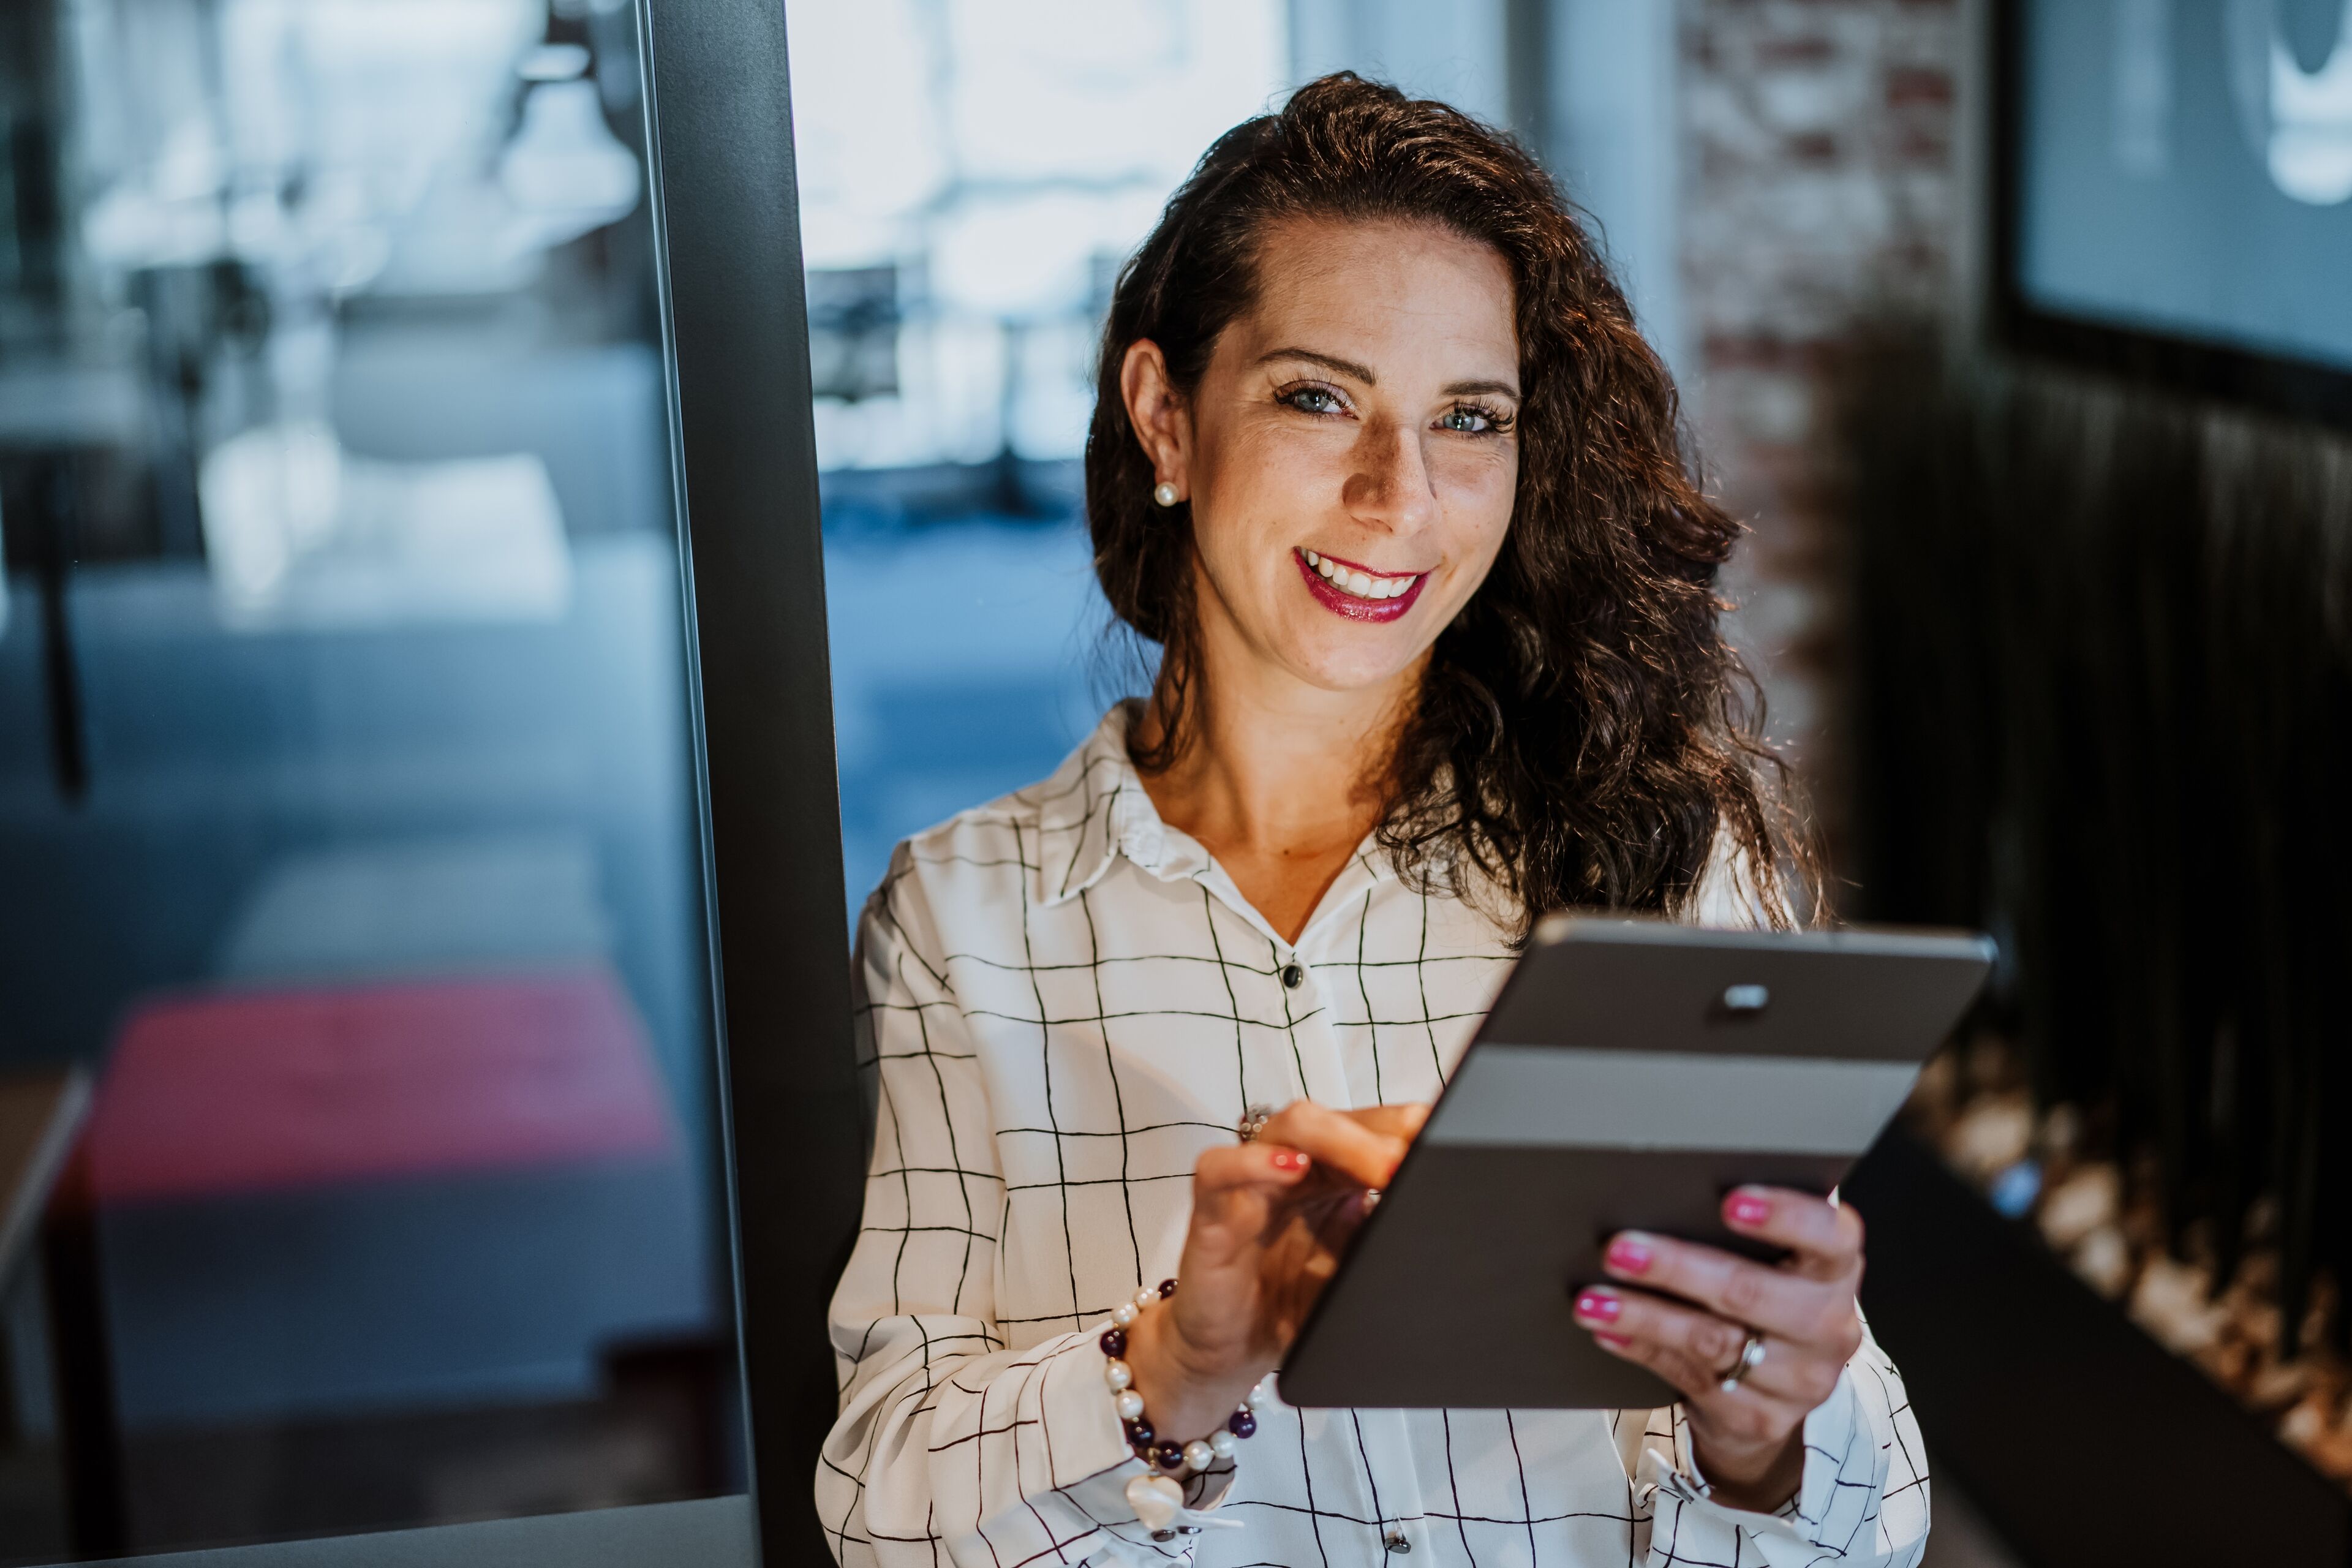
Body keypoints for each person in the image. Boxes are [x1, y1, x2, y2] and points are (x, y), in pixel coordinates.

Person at [818, 74, 1925, 1567]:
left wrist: (1767, 1432)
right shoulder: (962, 919)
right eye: (1318, 394)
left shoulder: (1668, 858)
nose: (1398, 496)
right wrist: (1170, 1367)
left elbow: (1874, 1532)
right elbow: (880, 1511)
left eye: (1468, 418)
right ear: (1167, 413)